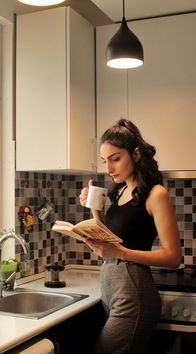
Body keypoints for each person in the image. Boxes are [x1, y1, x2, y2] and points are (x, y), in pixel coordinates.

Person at [79, 119, 182, 354]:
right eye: (105, 161)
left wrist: (121, 252)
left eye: (115, 159)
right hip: (111, 287)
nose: (109, 168)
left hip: (133, 291)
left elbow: (173, 257)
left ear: (135, 155)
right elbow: (107, 242)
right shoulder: (121, 192)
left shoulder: (156, 194)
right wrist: (93, 206)